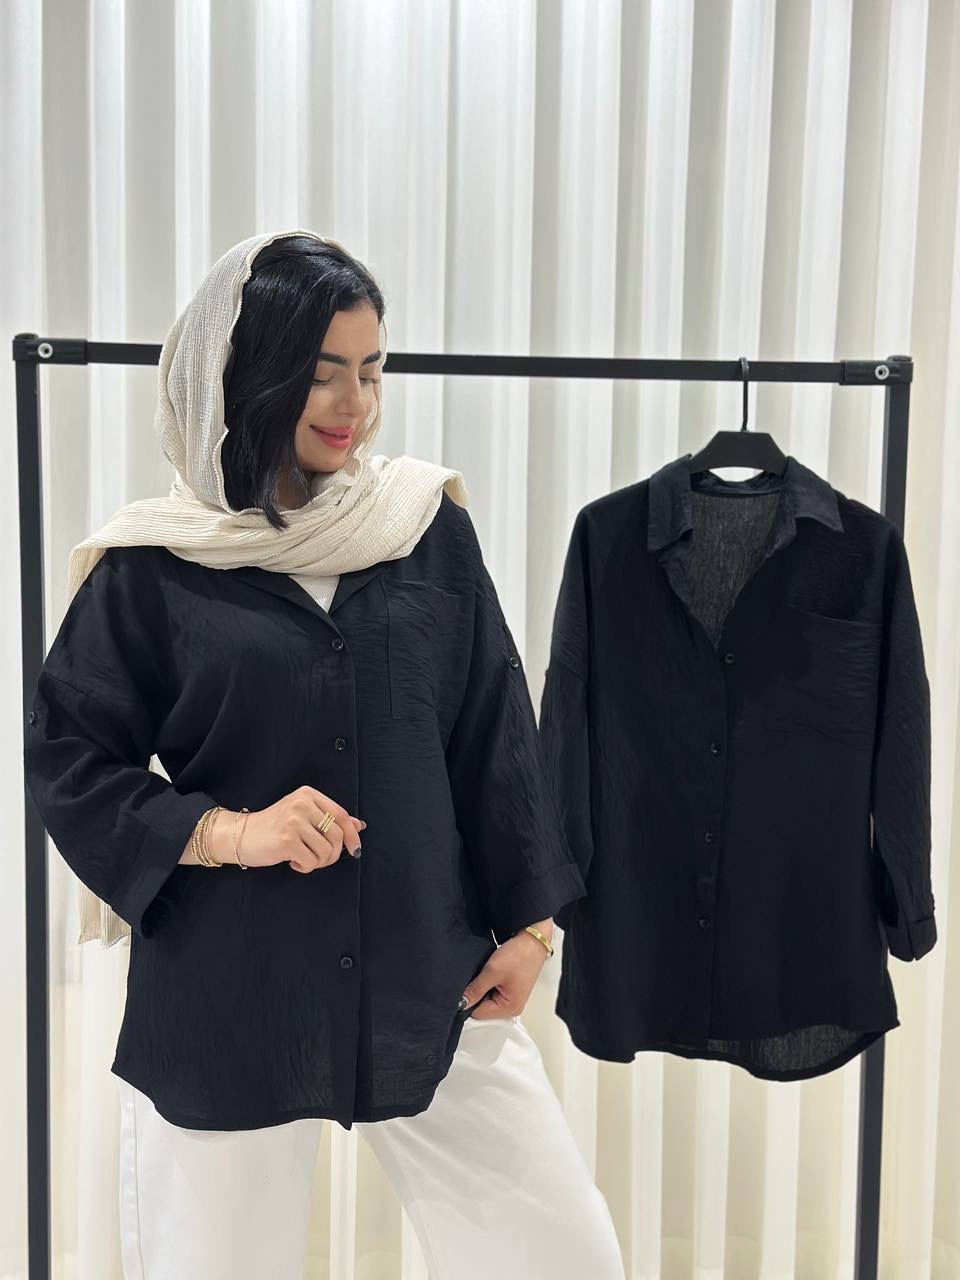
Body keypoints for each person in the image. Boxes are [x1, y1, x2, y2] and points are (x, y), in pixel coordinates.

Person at [24, 230, 625, 1279]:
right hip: (229, 988)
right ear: (249, 374)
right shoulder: (155, 563)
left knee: (561, 1252)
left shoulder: (421, 527)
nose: (355, 403)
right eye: (321, 372)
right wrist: (231, 831)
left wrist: (533, 927)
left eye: (371, 369)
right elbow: (70, 755)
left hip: (427, 972)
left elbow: (493, 728)